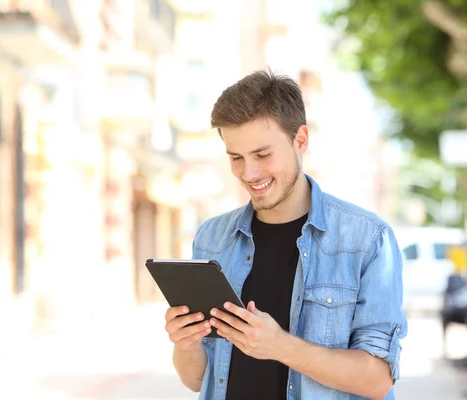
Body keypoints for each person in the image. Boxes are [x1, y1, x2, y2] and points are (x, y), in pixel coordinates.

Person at [164, 70, 407, 399]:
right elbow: (197, 380)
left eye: (263, 155)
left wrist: (281, 346)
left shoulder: (365, 240)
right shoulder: (212, 238)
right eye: (236, 158)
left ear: (301, 140)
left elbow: (378, 380)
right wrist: (186, 343)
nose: (249, 173)